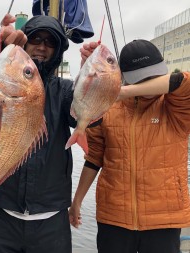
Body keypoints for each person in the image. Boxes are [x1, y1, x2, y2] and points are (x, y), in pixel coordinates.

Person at [0, 14, 99, 253]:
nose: (42, 46)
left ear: (58, 50)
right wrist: (2, 51)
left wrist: (90, 75)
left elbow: (82, 116)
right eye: (35, 38)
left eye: (50, 42)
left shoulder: (63, 90)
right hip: (1, 214)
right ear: (24, 43)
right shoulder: (0, 80)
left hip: (51, 220)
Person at [69, 39, 190, 253]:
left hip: (164, 219)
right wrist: (77, 200)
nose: (150, 82)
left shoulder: (175, 107)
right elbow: (94, 157)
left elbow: (184, 81)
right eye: (142, 78)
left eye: (154, 75)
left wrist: (124, 92)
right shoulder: (107, 109)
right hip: (113, 217)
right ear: (124, 76)